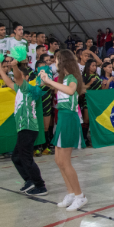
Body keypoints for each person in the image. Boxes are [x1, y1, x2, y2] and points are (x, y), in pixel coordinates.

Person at [38, 49, 87, 211]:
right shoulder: (62, 79)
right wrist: (44, 80)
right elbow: (54, 88)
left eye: (57, 59)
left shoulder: (72, 78)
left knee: (65, 162)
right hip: (62, 118)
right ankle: (71, 193)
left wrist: (50, 82)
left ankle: (80, 196)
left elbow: (71, 90)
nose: (55, 62)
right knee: (58, 160)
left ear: (64, 61)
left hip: (69, 119)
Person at [0, 57, 48, 196]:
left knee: (26, 158)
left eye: (18, 76)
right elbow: (9, 81)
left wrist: (15, 67)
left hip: (28, 127)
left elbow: (17, 76)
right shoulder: (20, 89)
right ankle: (29, 180)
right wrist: (0, 68)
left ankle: (40, 185)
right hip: (23, 128)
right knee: (17, 157)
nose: (16, 78)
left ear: (25, 77)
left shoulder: (28, 88)